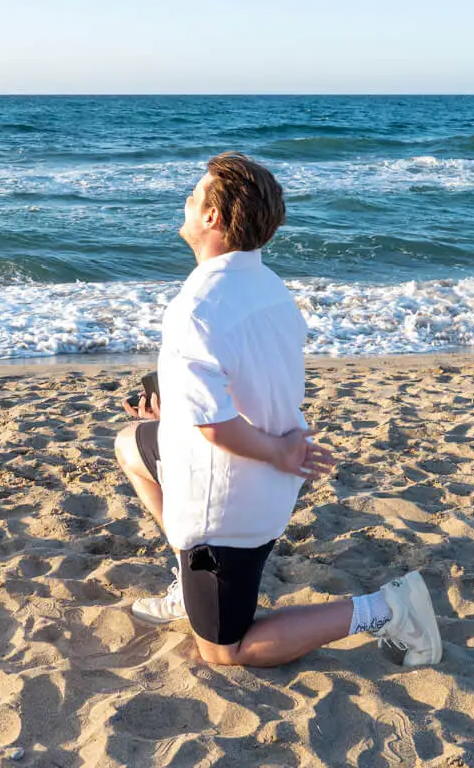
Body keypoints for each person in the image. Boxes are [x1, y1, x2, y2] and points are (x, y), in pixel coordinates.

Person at [115, 152, 444, 668]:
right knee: (131, 444)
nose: (187, 200)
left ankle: (387, 609)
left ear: (212, 218)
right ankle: (189, 582)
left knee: (226, 650)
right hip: (269, 468)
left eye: (196, 195)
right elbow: (241, 389)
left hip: (227, 506)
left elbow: (216, 427)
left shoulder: (195, 308)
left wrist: (276, 451)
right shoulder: (270, 289)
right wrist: (173, 414)